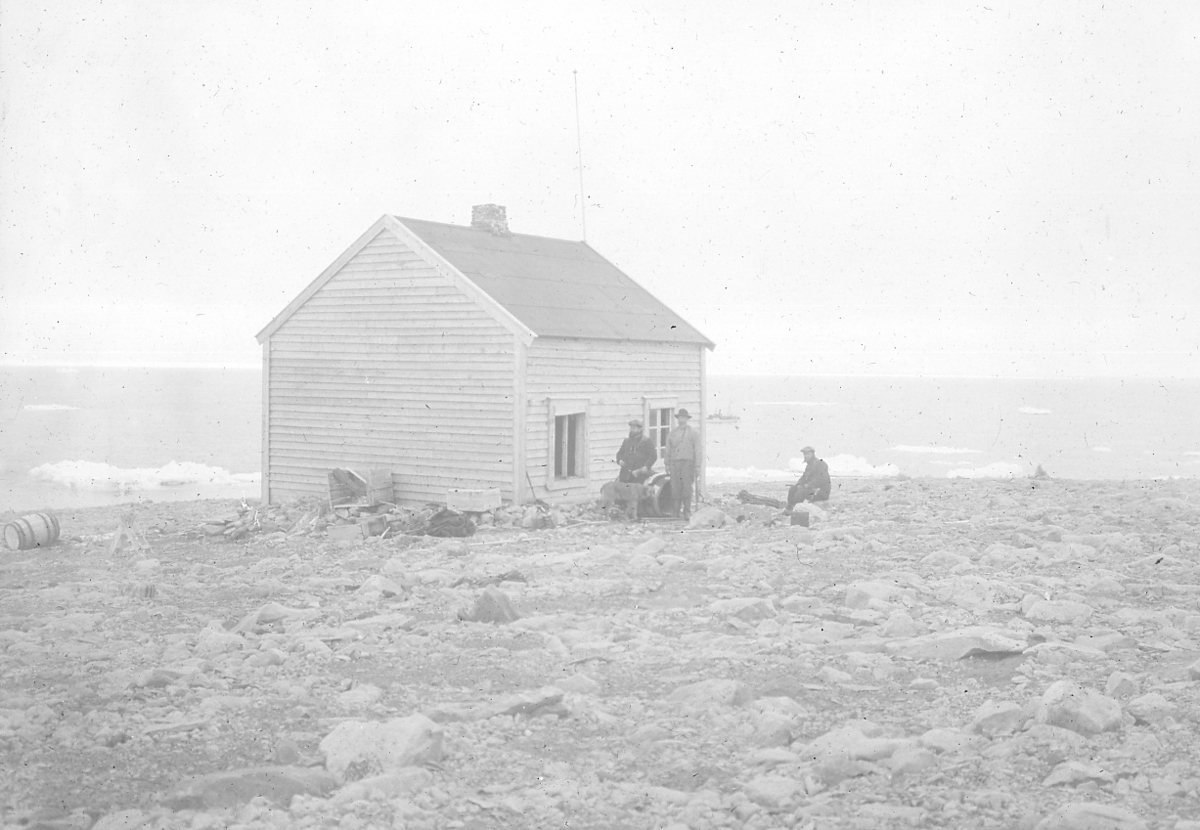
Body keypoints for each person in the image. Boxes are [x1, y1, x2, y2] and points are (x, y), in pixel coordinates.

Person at [664, 408, 703, 519]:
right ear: (678, 419)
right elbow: (668, 449)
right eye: (680, 417)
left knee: (687, 487)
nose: (682, 419)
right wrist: (667, 463)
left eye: (684, 417)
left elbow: (698, 450)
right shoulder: (672, 433)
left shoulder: (693, 433)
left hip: (688, 463)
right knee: (675, 487)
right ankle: (676, 512)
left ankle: (687, 511)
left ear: (687, 419)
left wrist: (697, 466)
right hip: (674, 463)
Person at [786, 446, 830, 512]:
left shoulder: (820, 464)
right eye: (805, 454)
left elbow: (822, 479)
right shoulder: (809, 466)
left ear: (812, 454)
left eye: (808, 454)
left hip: (821, 492)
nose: (806, 456)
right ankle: (790, 507)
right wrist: (799, 484)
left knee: (802, 492)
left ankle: (795, 509)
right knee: (793, 489)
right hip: (811, 489)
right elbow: (804, 477)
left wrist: (809, 485)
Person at [615, 418, 657, 483]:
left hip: (639, 475)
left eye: (634, 428)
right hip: (625, 475)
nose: (631, 430)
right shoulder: (626, 441)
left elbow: (653, 456)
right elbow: (619, 453)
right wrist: (620, 460)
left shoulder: (646, 441)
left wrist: (646, 466)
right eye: (631, 428)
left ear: (640, 429)